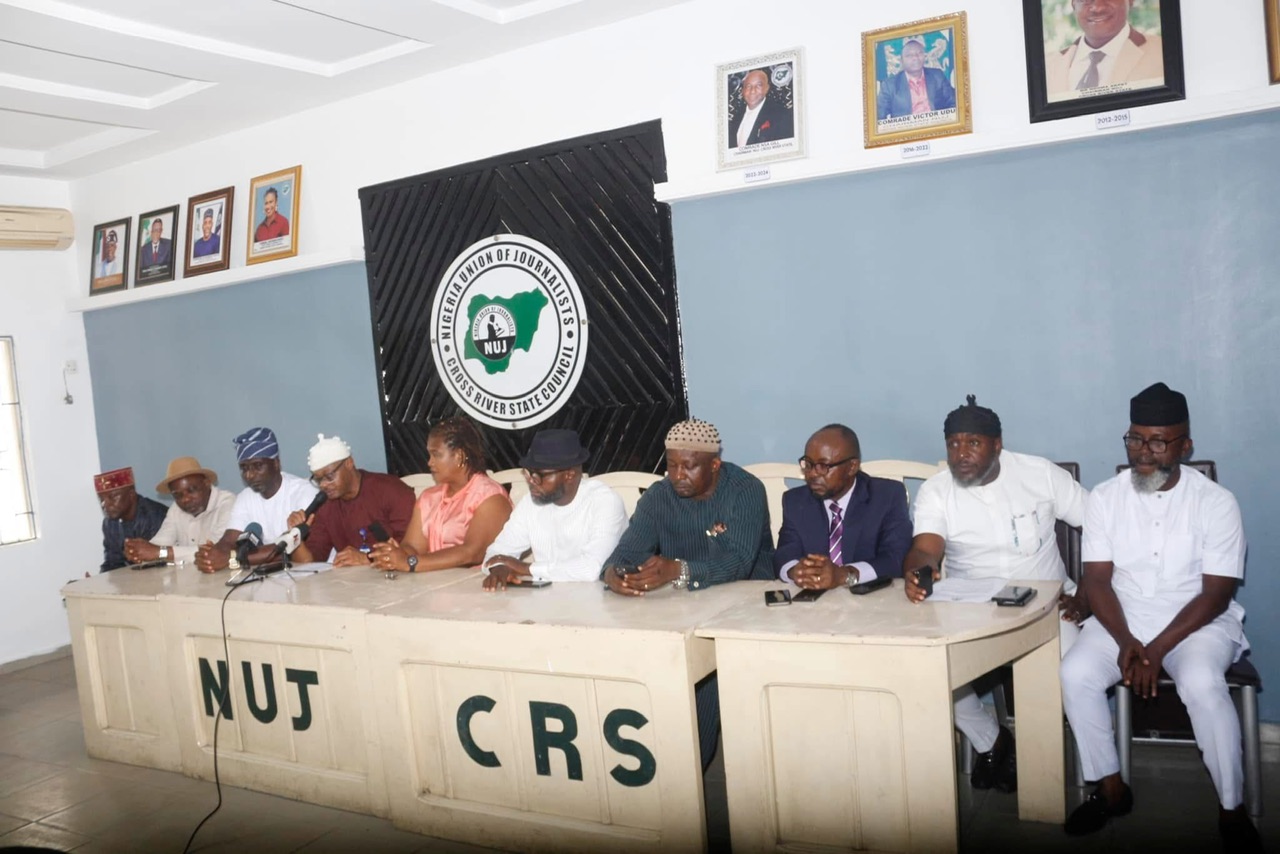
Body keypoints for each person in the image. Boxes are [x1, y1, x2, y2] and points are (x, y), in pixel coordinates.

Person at [1060, 383, 1262, 850]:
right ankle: (1110, 788)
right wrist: (1128, 639)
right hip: (1121, 619)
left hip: (1197, 623)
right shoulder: (1106, 498)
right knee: (1076, 673)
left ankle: (1231, 809)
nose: (1143, 453)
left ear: (1185, 446)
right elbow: (1097, 582)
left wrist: (1156, 648)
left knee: (1203, 685)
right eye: (1134, 439)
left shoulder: (1217, 502)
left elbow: (1215, 594)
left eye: (1157, 441)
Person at [903, 395, 1089, 793]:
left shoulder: (1040, 474)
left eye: (973, 443)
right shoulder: (937, 491)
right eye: (953, 444)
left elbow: (1102, 529)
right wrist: (918, 570)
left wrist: (1088, 590)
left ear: (997, 444)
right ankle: (993, 740)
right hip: (973, 608)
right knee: (927, 667)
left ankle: (1044, 772)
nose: (961, 454)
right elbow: (926, 546)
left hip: (1049, 608)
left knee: (1071, 671)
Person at [602, 418, 773, 771]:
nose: (678, 474)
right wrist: (614, 575)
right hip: (684, 609)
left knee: (700, 685)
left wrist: (678, 569)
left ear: (714, 465)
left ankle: (686, 774)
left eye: (689, 466)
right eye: (672, 464)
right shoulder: (659, 495)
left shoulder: (746, 490)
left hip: (748, 610)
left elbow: (739, 563)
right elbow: (625, 553)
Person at [482, 429, 627, 590]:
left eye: (539, 476)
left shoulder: (605, 502)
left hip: (598, 605)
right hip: (545, 603)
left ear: (569, 475)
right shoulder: (530, 502)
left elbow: (592, 568)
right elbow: (496, 552)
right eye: (529, 474)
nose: (531, 482)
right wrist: (500, 568)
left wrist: (525, 568)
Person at [776, 423, 912, 590]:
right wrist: (795, 570)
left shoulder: (887, 496)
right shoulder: (796, 501)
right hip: (813, 605)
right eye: (809, 464)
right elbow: (784, 553)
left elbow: (896, 558)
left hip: (871, 604)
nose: (812, 474)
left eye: (824, 466)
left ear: (852, 467)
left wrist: (844, 575)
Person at [370, 416, 512, 573]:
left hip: (477, 589)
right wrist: (395, 555)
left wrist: (410, 562)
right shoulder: (429, 497)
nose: (429, 462)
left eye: (436, 454)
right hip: (432, 586)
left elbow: (473, 553)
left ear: (459, 455)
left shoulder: (490, 497)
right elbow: (412, 547)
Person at [194, 427, 318, 573]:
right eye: (244, 468)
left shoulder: (304, 492)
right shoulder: (245, 497)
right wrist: (210, 555)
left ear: (276, 463)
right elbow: (228, 541)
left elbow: (285, 548)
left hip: (315, 577)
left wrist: (231, 558)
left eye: (258, 466)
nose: (249, 475)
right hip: (272, 577)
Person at [287, 434, 415, 567]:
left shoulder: (390, 490)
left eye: (329, 476)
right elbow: (310, 563)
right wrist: (297, 536)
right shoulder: (325, 505)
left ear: (349, 463)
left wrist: (368, 558)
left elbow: (412, 549)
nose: (323, 484)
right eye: (318, 480)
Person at [124, 456, 235, 568]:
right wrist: (139, 550)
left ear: (207, 483)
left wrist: (161, 552)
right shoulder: (176, 509)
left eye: (191, 490)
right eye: (178, 495)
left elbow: (217, 550)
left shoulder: (228, 503)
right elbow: (160, 542)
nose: (185, 499)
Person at [1045, 0, 1165, 97]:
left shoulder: (1163, 53)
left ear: (1130, 1)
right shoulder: (1046, 67)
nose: (1097, 7)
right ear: (1073, 4)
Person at [96, 467, 166, 572]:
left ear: (131, 494)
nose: (105, 504)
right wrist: (98, 581)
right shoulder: (109, 523)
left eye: (112, 497)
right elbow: (112, 563)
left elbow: (160, 562)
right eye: (101, 499)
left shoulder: (155, 515)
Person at [876, 37, 956, 120]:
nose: (915, 58)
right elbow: (879, 117)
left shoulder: (937, 76)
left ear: (925, 56)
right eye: (909, 55)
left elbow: (953, 103)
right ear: (901, 61)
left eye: (919, 53)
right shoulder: (889, 85)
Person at [728, 68, 794, 149]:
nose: (752, 90)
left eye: (758, 85)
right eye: (748, 86)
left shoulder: (782, 115)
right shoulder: (735, 118)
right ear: (743, 90)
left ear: (767, 88)